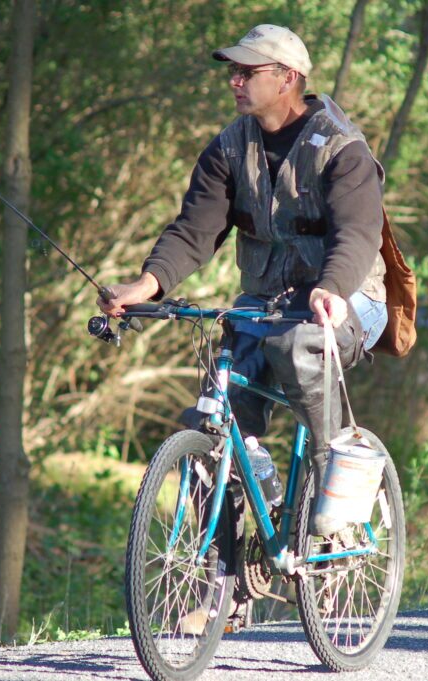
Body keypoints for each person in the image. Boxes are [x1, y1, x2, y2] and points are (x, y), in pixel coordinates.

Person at [97, 24, 387, 535]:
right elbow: (193, 230)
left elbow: (359, 235)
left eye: (247, 72)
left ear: (288, 78)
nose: (234, 81)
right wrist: (144, 287)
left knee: (300, 345)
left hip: (350, 298)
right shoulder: (228, 150)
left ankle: (332, 482)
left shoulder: (342, 149)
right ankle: (221, 588)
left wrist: (332, 287)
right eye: (232, 71)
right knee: (215, 407)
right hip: (266, 302)